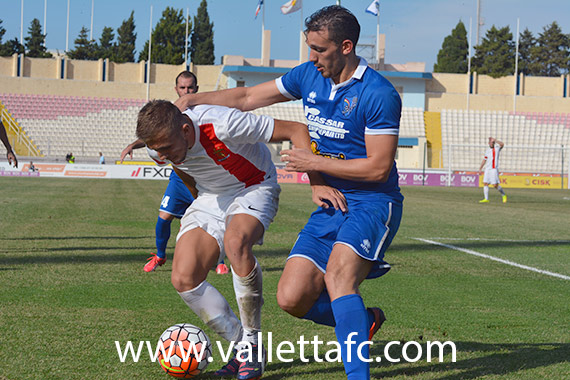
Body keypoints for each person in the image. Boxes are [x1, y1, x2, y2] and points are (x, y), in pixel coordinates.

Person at [175, 6, 403, 379]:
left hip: (373, 202)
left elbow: (378, 167)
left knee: (339, 277)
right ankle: (362, 320)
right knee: (291, 298)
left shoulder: (378, 93)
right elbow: (248, 97)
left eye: (320, 50)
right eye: (309, 48)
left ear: (346, 46)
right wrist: (195, 101)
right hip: (332, 200)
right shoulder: (308, 75)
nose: (312, 58)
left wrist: (314, 164)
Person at [136, 99, 317, 380]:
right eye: (158, 150)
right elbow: (183, 170)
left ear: (186, 129)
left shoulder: (223, 124)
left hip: (254, 186)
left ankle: (253, 342)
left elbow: (295, 129)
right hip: (210, 198)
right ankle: (242, 347)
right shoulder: (159, 148)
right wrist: (201, 205)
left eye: (167, 148)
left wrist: (318, 184)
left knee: (235, 244)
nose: (163, 155)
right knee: (184, 278)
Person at [121, 70, 228, 274]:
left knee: (215, 219)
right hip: (179, 178)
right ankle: (160, 256)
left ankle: (220, 260)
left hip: (205, 177)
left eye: (190, 88)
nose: (186, 91)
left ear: (196, 89)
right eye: (182, 87)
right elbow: (153, 136)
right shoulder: (169, 113)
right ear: (176, 89)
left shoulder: (206, 111)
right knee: (163, 217)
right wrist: (132, 146)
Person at [479, 137, 507, 203]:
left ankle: (503, 194)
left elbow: (502, 144)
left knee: (495, 185)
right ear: (489, 143)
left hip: (494, 169)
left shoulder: (497, 149)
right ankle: (486, 199)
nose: (492, 143)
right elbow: (484, 160)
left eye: (493, 142)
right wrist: (480, 168)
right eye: (491, 142)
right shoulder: (487, 150)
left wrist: (495, 140)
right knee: (485, 183)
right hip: (487, 169)